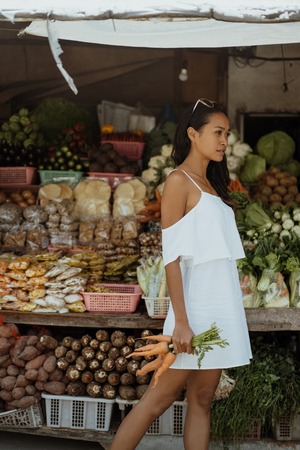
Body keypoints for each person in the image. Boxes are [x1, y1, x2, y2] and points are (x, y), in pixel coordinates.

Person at [110, 99, 252, 450]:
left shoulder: (215, 185)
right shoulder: (178, 181)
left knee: (202, 401)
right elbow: (171, 258)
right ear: (193, 134)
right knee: (157, 400)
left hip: (222, 309)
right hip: (195, 310)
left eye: (227, 134)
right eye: (217, 132)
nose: (223, 140)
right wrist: (182, 323)